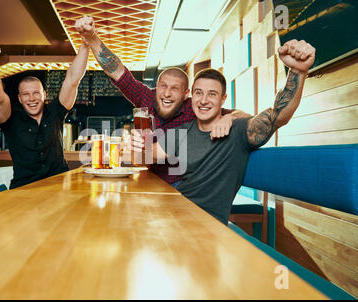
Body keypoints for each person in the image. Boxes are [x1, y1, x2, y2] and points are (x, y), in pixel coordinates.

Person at [131, 39, 315, 225]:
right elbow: (147, 155)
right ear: (191, 96)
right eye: (198, 93)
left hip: (207, 227)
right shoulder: (181, 133)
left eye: (212, 94)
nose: (203, 100)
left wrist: (298, 72)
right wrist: (137, 145)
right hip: (172, 215)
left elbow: (278, 116)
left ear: (223, 99)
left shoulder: (239, 130)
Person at [74, 16, 251, 186]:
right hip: (149, 182)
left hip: (182, 187)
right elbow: (117, 71)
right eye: (163, 86)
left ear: (185, 94)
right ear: (156, 87)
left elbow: (246, 117)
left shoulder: (195, 107)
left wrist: (230, 118)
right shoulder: (146, 97)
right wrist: (91, 37)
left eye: (175, 89)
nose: (166, 93)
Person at [0, 36, 89, 189]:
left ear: (44, 94)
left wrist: (87, 43)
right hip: (24, 191)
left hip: (59, 189)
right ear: (19, 98)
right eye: (26, 94)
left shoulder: (55, 112)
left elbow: (73, 80)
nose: (31, 99)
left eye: (36, 93)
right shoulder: (11, 118)